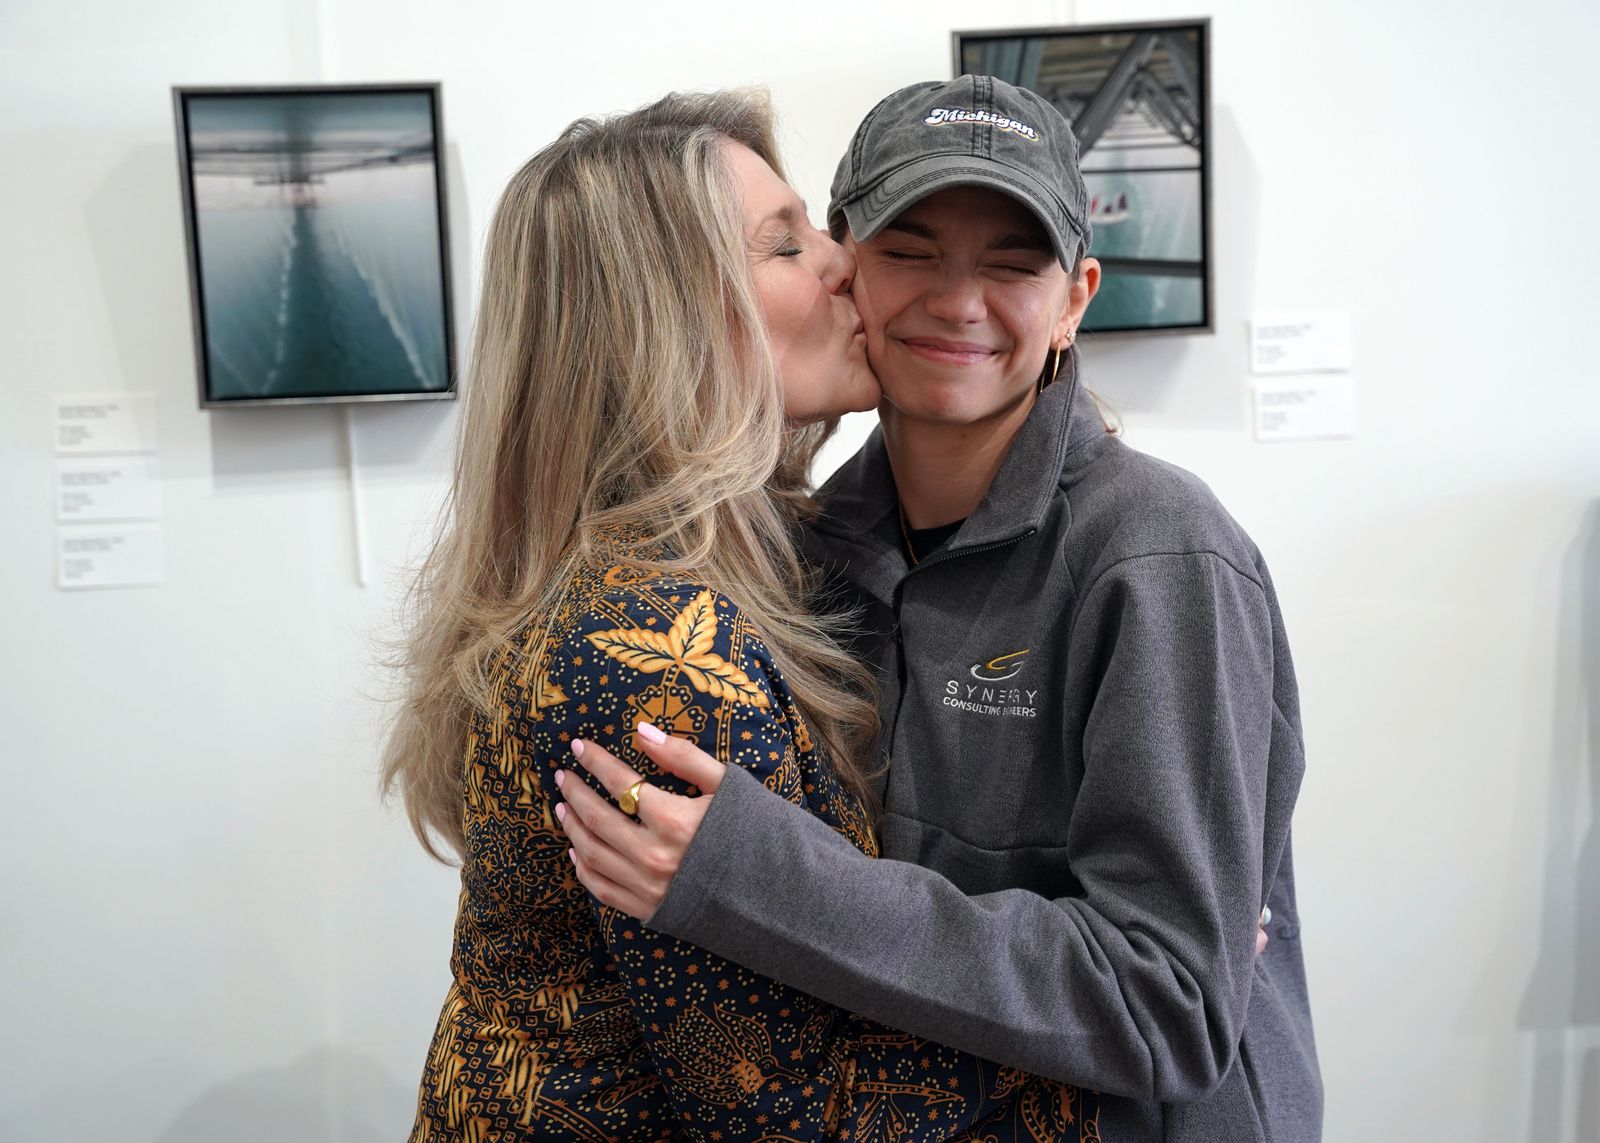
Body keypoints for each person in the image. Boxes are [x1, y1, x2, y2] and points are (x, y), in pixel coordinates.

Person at [558, 75, 1324, 1141]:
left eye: (1013, 264)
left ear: (1074, 298)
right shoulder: (805, 551)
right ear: (843, 270)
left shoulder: (1156, 556)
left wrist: (759, 877)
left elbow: (1172, 1010)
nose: (959, 301)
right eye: (910, 251)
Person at [382, 88, 1105, 1141]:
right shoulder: (652, 651)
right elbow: (785, 1118)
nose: (838, 264)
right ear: (665, 312)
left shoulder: (702, 573)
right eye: (784, 243)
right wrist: (1126, 1017)